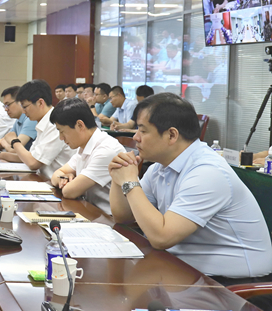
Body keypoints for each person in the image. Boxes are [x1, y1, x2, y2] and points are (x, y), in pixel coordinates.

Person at [109, 93, 272, 281]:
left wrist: (130, 182)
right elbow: (123, 216)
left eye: (143, 131)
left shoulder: (207, 172)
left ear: (172, 135)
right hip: (184, 268)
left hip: (234, 283)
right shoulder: (159, 167)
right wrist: (119, 176)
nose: (136, 137)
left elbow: (162, 238)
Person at [48, 98, 125, 214]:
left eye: (62, 131)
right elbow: (56, 175)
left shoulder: (106, 150)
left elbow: (69, 192)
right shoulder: (84, 146)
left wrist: (66, 182)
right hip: (92, 211)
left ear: (80, 125)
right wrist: (64, 178)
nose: (61, 138)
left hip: (110, 218)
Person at [0, 80, 75, 180]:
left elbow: (33, 163)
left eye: (25, 107)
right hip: (43, 179)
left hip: (55, 183)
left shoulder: (54, 124)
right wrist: (1, 155)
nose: (23, 111)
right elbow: (30, 157)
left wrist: (14, 141)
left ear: (40, 103)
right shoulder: (42, 122)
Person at [0, 86, 38, 160]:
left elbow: (14, 149)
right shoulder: (18, 119)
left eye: (8, 105)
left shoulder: (30, 119)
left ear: (20, 102)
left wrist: (4, 144)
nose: (5, 109)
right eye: (4, 106)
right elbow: (5, 140)